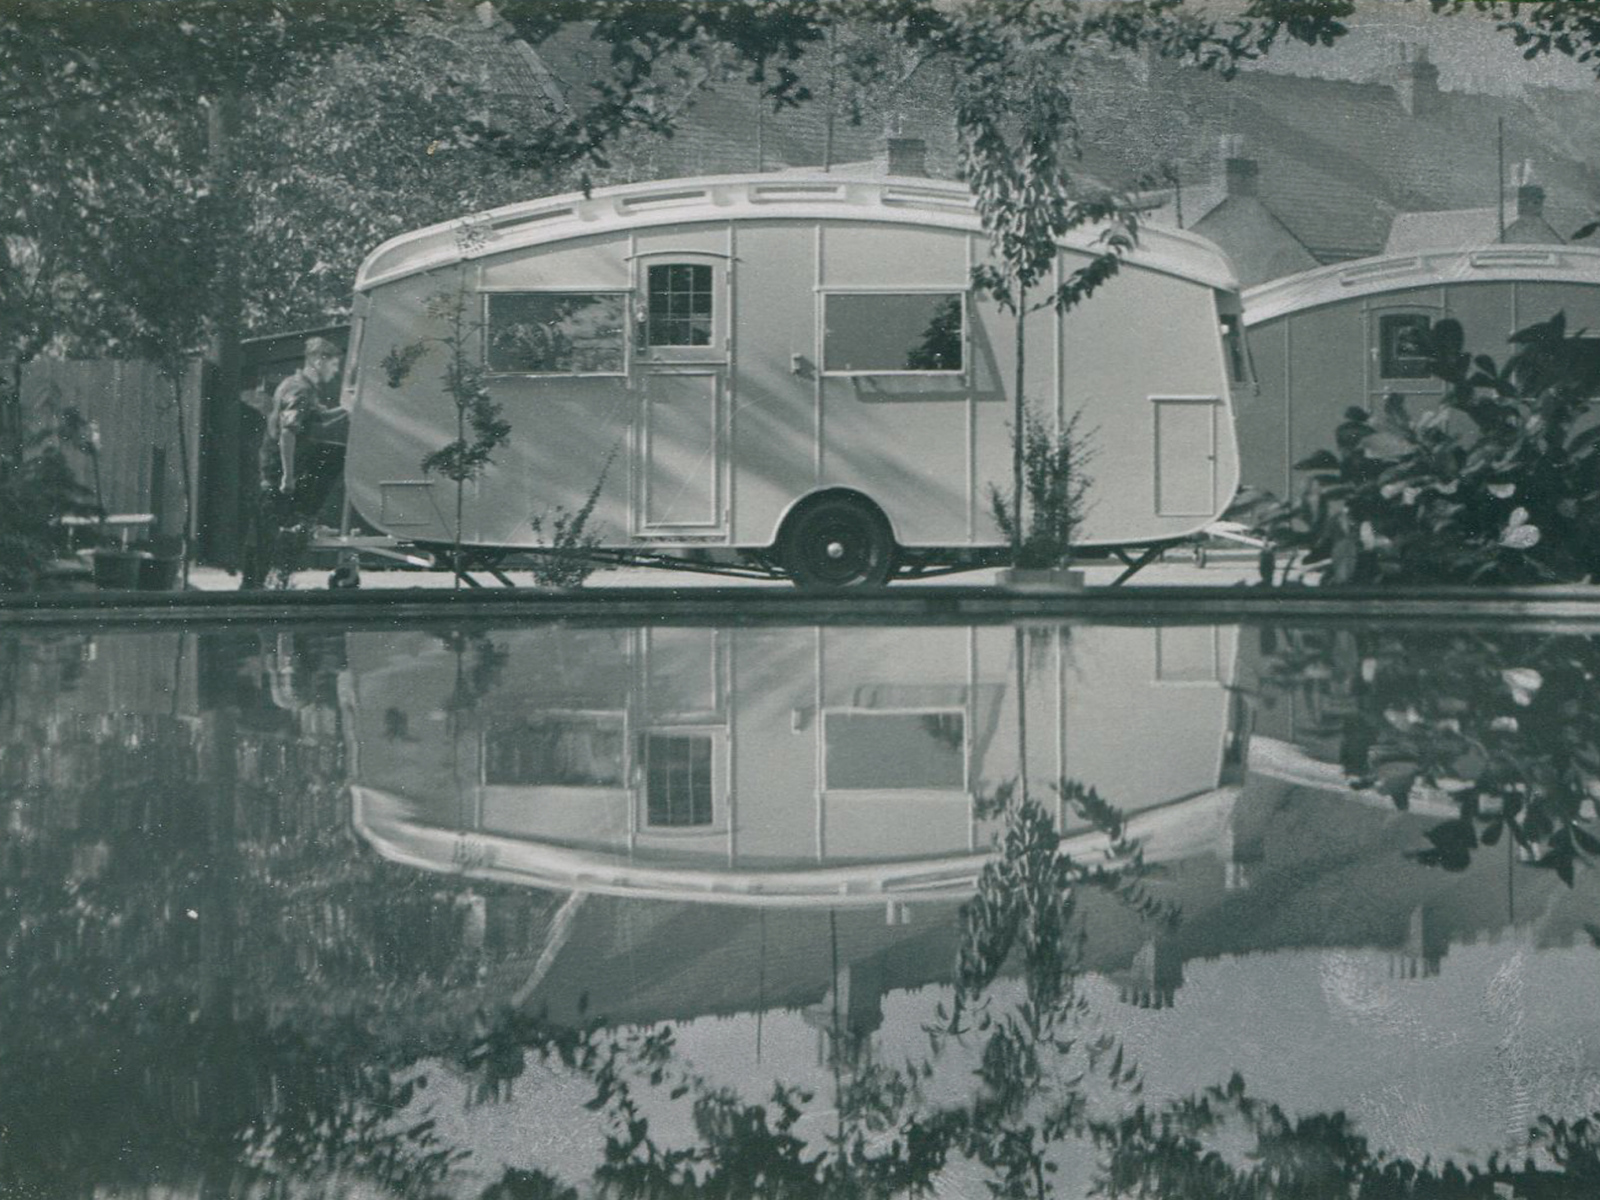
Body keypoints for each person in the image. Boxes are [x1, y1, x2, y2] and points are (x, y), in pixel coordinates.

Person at [260, 335, 348, 522]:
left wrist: (348, 409)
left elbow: (320, 419)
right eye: (333, 365)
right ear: (318, 361)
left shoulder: (301, 385)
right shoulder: (300, 390)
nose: (335, 371)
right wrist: (287, 476)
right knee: (335, 456)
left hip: (290, 458)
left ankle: (303, 516)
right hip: (280, 465)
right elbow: (287, 433)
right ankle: (305, 516)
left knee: (335, 451)